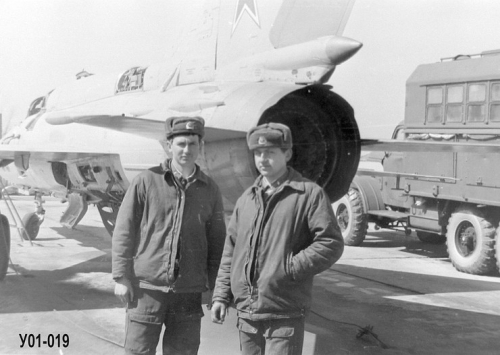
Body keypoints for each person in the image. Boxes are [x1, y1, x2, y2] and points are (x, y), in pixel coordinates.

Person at [211, 122, 344, 355]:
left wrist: (289, 268)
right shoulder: (246, 200)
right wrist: (221, 296)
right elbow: (230, 251)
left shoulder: (308, 194)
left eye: (270, 152)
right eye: (258, 153)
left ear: (288, 154)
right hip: (247, 313)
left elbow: (330, 243)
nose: (263, 159)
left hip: (284, 314)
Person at [112, 116, 226, 355]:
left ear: (200, 147)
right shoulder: (146, 181)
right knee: (138, 352)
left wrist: (218, 292)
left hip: (188, 293)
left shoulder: (210, 189)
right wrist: (121, 277)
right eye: (181, 143)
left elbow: (217, 244)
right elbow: (125, 229)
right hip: (147, 290)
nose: (186, 150)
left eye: (192, 144)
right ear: (169, 145)